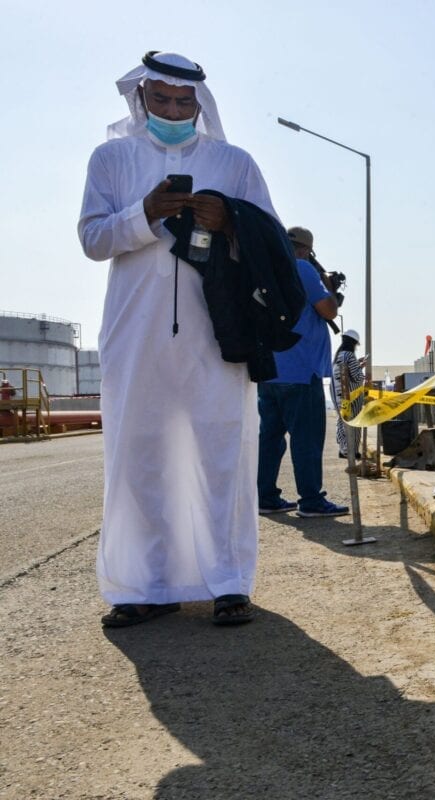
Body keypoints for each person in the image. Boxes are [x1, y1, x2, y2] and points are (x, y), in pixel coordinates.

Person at [79, 52, 269, 627]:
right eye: (160, 100)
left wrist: (229, 222)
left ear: (198, 105)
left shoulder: (232, 162)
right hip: (134, 334)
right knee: (139, 456)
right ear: (141, 99)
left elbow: (269, 238)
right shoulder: (112, 159)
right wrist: (143, 214)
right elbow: (91, 238)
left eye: (183, 103)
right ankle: (141, 587)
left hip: (217, 334)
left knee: (220, 454)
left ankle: (229, 583)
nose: (171, 110)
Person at [256, 226, 349, 518]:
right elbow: (329, 311)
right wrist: (329, 286)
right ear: (306, 249)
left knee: (270, 438)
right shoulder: (302, 269)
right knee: (306, 440)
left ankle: (265, 497)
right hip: (301, 369)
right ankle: (310, 500)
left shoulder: (265, 267)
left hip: (269, 370)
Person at [331, 330, 366, 459]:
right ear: (353, 343)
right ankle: (352, 450)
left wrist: (358, 365)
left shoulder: (339, 355)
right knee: (354, 422)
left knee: (342, 420)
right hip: (351, 397)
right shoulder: (350, 356)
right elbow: (357, 378)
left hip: (339, 396)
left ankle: (343, 448)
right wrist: (361, 368)